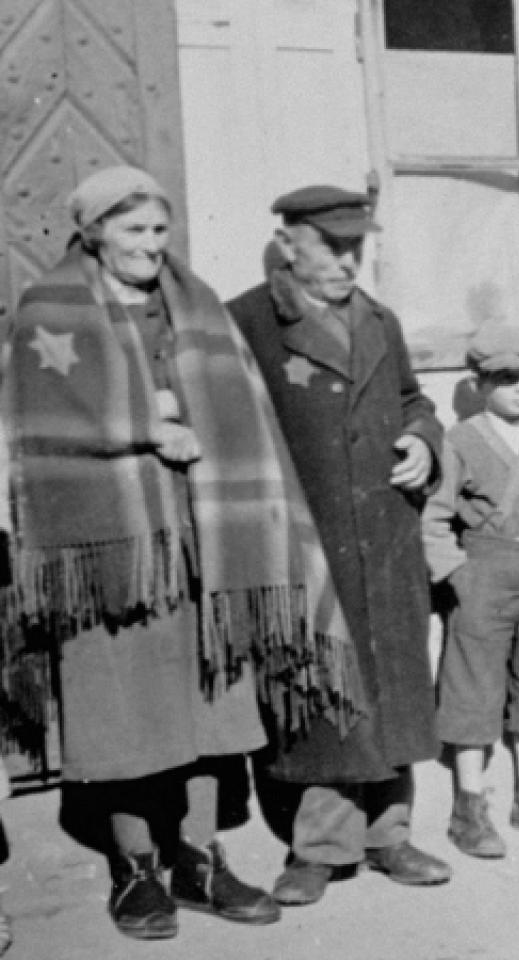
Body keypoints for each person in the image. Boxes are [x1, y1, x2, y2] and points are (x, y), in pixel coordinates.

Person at [2, 167, 360, 938]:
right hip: (111, 554)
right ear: (94, 231)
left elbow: (236, 409)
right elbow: (41, 418)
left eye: (160, 231)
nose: (150, 246)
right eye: (133, 231)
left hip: (205, 540)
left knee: (212, 705)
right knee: (121, 709)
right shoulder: (51, 308)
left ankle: (200, 859)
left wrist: (179, 413)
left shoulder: (193, 304)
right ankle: (135, 870)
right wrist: (149, 420)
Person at [226, 185, 449, 904]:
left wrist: (422, 438)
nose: (350, 261)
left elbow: (415, 400)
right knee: (321, 689)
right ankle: (319, 848)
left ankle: (390, 834)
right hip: (306, 540)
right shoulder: (249, 323)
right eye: (333, 246)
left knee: (388, 682)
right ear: (290, 243)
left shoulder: (380, 320)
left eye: (358, 247)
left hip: (383, 533)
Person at [420, 326, 519, 857]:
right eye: (506, 379)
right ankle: (469, 808)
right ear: (480, 382)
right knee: (474, 686)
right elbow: (435, 517)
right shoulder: (461, 439)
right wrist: (458, 574)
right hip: (484, 570)